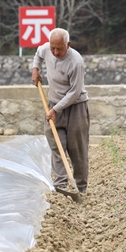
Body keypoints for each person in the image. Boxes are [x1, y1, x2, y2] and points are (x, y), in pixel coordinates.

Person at [31, 28, 90, 195]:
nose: (55, 52)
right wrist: (35, 69)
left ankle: (81, 187)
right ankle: (61, 184)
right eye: (53, 48)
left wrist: (55, 109)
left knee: (77, 149)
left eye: (60, 49)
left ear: (68, 45)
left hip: (75, 107)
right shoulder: (46, 49)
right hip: (54, 104)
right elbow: (38, 54)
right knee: (57, 145)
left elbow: (74, 92)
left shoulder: (76, 62)